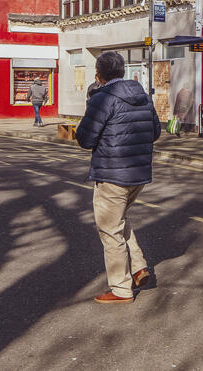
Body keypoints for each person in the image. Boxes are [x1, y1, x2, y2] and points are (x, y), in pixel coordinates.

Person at [76, 51, 161, 303]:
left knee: (110, 231)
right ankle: (138, 267)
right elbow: (155, 131)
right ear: (123, 71)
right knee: (119, 220)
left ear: (99, 74)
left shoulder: (102, 99)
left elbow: (85, 138)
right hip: (139, 173)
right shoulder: (143, 96)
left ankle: (121, 289)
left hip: (112, 174)